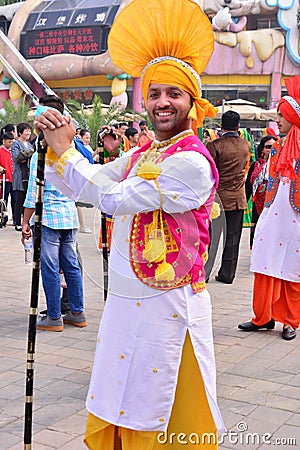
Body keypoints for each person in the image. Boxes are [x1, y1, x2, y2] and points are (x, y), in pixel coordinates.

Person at [35, 0, 225, 448]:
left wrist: (66, 150)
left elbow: (114, 199)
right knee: (120, 385)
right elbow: (91, 184)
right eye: (155, 93)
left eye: (173, 94)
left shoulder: (192, 162)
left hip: (169, 304)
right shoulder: (143, 154)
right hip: (126, 298)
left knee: (158, 399)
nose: (162, 102)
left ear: (191, 102)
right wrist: (60, 143)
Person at [238, 75, 300, 341]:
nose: (278, 120)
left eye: (281, 116)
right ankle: (262, 317)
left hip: (295, 216)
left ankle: (290, 321)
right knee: (265, 265)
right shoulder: (277, 147)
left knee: (292, 268)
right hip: (273, 214)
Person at [22, 95, 87, 332]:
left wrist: (25, 222)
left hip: (48, 217)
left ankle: (54, 315)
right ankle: (77, 312)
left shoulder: (40, 153)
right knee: (71, 265)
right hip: (69, 217)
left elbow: (32, 194)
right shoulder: (71, 150)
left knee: (49, 267)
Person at [205, 111, 250, 284]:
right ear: (238, 126)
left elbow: (209, 173)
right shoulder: (245, 145)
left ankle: (205, 273)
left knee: (211, 238)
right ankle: (227, 274)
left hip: (217, 200)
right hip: (238, 198)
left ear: (221, 126)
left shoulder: (215, 146)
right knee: (232, 238)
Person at [245, 135, 277, 248]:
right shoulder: (255, 166)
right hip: (258, 206)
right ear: (262, 149)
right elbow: (248, 186)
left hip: (274, 207)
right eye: (268, 147)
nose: (272, 149)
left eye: (274, 146)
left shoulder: (281, 165)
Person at [11, 122, 34, 231]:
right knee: (19, 199)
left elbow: (27, 157)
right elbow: (17, 158)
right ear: (20, 132)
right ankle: (17, 222)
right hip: (20, 174)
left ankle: (26, 221)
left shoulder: (29, 145)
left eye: (29, 130)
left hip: (28, 175)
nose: (28, 133)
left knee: (27, 198)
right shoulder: (15, 144)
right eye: (26, 131)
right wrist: (29, 154)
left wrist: (26, 155)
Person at [0, 132, 15, 222]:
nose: (11, 144)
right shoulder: (1, 151)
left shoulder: (14, 151)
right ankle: (3, 218)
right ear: (4, 141)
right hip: (4, 178)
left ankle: (15, 218)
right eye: (9, 142)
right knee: (3, 199)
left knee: (15, 200)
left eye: (12, 142)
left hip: (13, 179)